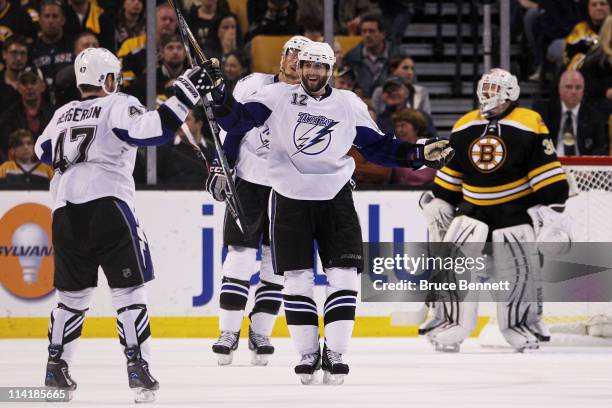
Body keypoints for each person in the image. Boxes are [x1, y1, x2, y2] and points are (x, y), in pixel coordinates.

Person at [201, 41, 453, 384]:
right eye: (307, 65)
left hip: (336, 198)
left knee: (345, 276)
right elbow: (238, 121)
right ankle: (307, 354)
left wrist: (417, 154)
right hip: (289, 198)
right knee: (297, 279)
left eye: (319, 67)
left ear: (329, 70)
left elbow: (378, 147)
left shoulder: (348, 103)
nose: (312, 72)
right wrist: (219, 94)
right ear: (300, 67)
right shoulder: (275, 96)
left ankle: (334, 352)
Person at [34, 47, 211, 402]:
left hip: (64, 211)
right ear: (107, 79)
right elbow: (154, 131)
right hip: (108, 205)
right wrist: (185, 95)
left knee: (71, 297)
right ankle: (138, 368)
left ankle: (56, 367)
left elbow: (42, 151)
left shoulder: (63, 112)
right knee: (129, 293)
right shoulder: (117, 104)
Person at [420, 68, 571, 353]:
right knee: (454, 265)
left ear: (510, 94)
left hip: (514, 211)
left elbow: (546, 173)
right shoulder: (465, 124)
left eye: (494, 91)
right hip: (473, 210)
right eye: (485, 90)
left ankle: (519, 324)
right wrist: (440, 199)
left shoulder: (529, 121)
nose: (488, 96)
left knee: (517, 269)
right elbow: (452, 173)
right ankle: (453, 322)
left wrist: (552, 204)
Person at [206, 35, 312, 367]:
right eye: (291, 54)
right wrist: (219, 163)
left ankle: (260, 331)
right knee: (239, 258)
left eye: (302, 57)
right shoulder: (255, 85)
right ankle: (228, 332)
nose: (295, 61)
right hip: (249, 184)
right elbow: (233, 127)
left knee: (274, 265)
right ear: (281, 59)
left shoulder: (313, 99)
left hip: (286, 190)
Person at [533, 69, 609, 155]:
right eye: (569, 87)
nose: (574, 92)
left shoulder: (595, 116)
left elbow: (600, 150)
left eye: (578, 88)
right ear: (560, 89)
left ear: (583, 91)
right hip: (551, 164)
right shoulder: (543, 112)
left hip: (583, 166)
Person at [0, 66, 53, 161]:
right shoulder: (8, 117)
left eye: (33, 82)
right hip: (17, 170)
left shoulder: (55, 115)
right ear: (18, 87)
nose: (29, 87)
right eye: (24, 83)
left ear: (43, 86)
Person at [344, 14, 399, 97]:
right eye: (364, 31)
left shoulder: (397, 56)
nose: (367, 35)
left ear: (383, 34)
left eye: (372, 31)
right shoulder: (351, 57)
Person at [390, 108, 436, 186]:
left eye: (403, 125)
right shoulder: (393, 149)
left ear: (416, 128)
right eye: (396, 126)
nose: (399, 130)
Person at [564, 0, 610, 69]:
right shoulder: (580, 29)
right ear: (588, 8)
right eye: (594, 5)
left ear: (610, 7)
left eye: (602, 4)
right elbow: (569, 55)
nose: (598, 8)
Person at [0, 35, 28, 111]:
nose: (19, 58)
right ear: (4, 54)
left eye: (22, 53)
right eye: (14, 53)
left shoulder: (34, 83)